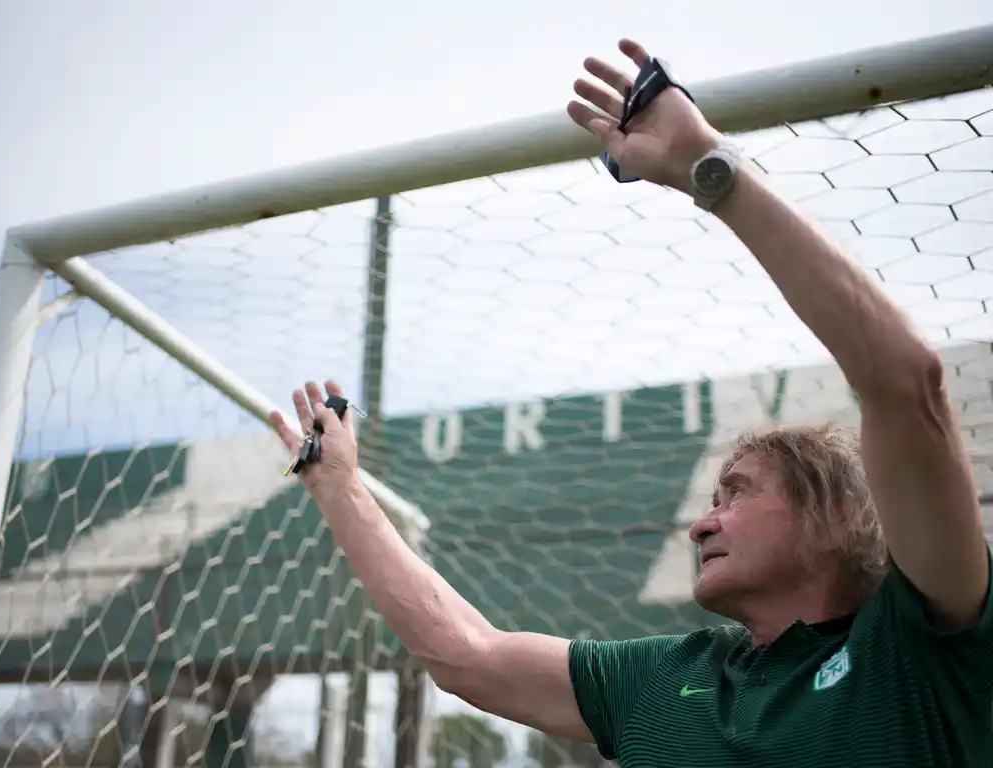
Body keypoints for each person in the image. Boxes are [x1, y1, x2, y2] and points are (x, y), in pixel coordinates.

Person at [269, 39, 993, 768]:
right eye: (714, 497)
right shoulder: (663, 679)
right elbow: (467, 656)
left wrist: (708, 169)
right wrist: (340, 487)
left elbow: (905, 381)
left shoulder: (921, 637)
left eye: (736, 494)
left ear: (838, 517)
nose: (701, 522)